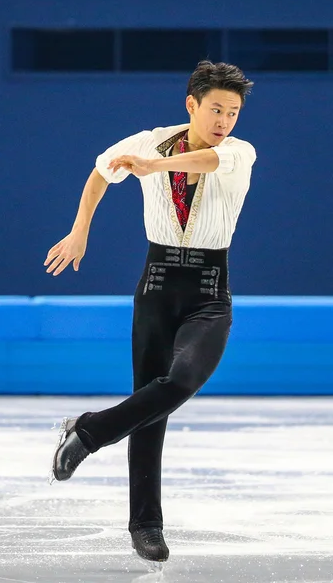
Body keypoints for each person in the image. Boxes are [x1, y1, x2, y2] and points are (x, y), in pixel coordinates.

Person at [44, 60, 256, 563]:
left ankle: (90, 430)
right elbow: (100, 174)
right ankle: (146, 525)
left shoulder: (238, 153)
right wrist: (80, 230)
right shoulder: (147, 140)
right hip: (157, 285)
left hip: (209, 289)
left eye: (233, 112)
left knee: (181, 381)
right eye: (216, 109)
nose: (224, 120)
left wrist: (155, 168)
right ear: (192, 105)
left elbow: (204, 164)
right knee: (150, 408)